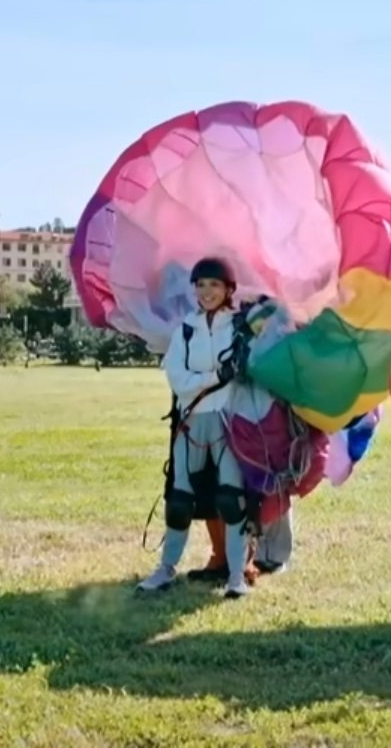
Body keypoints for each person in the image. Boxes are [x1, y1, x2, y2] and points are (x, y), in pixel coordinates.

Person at [138, 257, 255, 599]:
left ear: (229, 289)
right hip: (190, 423)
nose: (207, 292)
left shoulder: (239, 328)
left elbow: (244, 375)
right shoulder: (185, 329)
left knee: (231, 500)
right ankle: (165, 569)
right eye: (201, 285)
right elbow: (177, 378)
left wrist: (216, 379)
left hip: (227, 423)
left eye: (215, 285)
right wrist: (215, 377)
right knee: (179, 500)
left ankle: (236, 576)